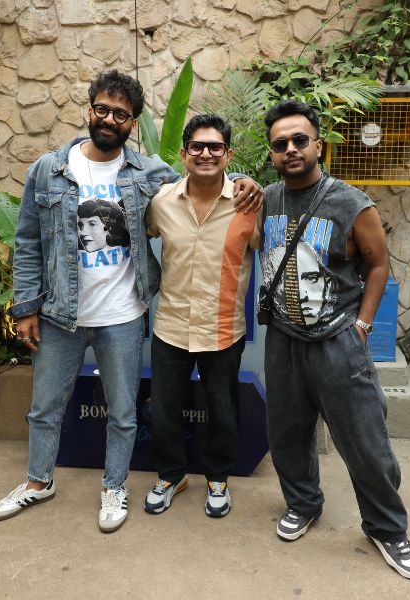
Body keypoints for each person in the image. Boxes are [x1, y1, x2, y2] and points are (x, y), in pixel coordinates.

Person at [0, 69, 261, 533]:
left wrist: (242, 179)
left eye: (121, 114)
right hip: (60, 314)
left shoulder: (147, 172)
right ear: (89, 110)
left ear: (133, 123)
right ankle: (38, 481)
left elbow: (202, 175)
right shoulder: (48, 170)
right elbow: (28, 242)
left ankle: (114, 487)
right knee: (44, 407)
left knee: (122, 413)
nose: (110, 119)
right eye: (103, 109)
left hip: (122, 314)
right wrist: (26, 307)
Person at [258, 100, 410, 579]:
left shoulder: (351, 203)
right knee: (287, 434)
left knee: (365, 439)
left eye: (299, 140)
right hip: (283, 339)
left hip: (337, 341)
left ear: (317, 144)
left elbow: (378, 264)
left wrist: (363, 325)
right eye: (281, 144)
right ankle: (303, 503)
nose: (291, 149)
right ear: (272, 153)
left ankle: (386, 527)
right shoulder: (266, 199)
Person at [143, 114, 259, 518]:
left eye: (215, 147)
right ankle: (171, 476)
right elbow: (139, 234)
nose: (206, 153)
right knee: (164, 410)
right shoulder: (161, 203)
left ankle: (218, 479)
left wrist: (249, 182)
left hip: (223, 327)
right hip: (171, 325)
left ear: (228, 154)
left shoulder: (249, 204)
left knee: (222, 412)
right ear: (184, 153)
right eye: (197, 146)